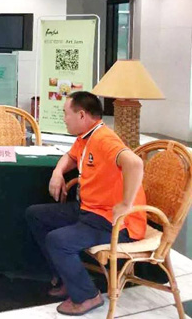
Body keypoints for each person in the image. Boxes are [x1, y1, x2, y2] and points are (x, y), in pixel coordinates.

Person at [25, 91, 146, 316]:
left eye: (66, 113)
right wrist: (58, 172)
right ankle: (67, 278)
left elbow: (135, 163)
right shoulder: (85, 137)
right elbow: (71, 157)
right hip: (90, 210)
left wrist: (126, 204)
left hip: (116, 222)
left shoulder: (104, 138)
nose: (64, 119)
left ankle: (88, 295)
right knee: (36, 214)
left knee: (58, 241)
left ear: (81, 115)